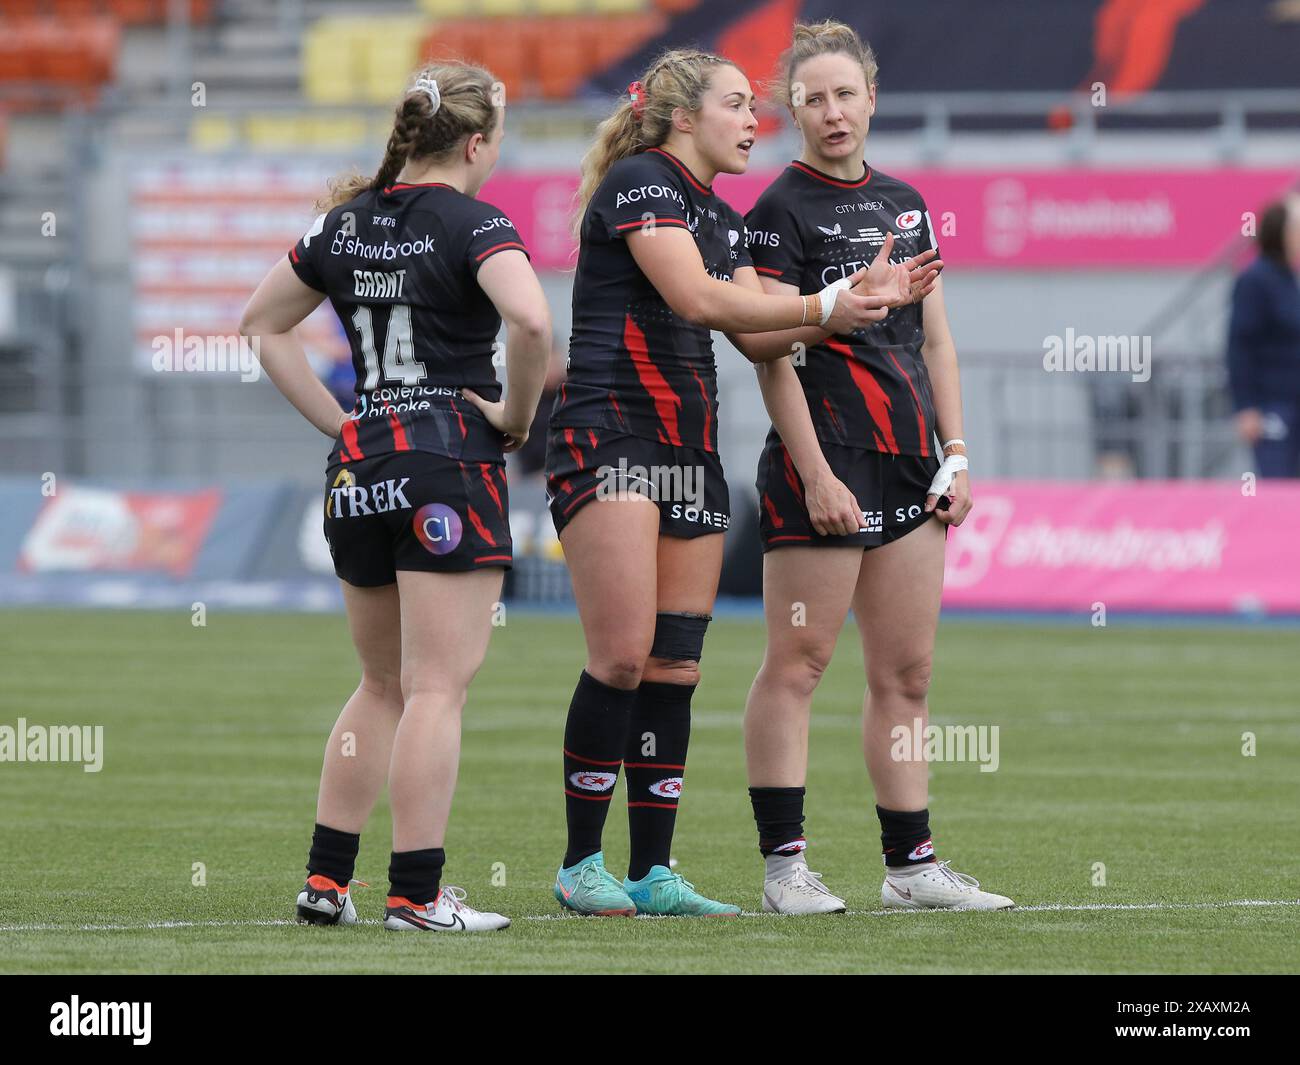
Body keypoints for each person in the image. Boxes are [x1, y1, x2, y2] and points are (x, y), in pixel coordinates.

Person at [545, 48, 914, 917]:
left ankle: (653, 872)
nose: (759, 120)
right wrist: (824, 305)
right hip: (614, 437)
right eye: (740, 106)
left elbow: (758, 338)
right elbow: (703, 301)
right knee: (623, 654)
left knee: (675, 666)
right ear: (684, 118)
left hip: (689, 444)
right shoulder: (644, 182)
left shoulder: (719, 212)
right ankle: (577, 863)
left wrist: (863, 297)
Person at [239, 62, 550, 933]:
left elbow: (259, 324)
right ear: (477, 142)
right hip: (448, 462)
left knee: (379, 683)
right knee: (435, 689)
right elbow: (531, 323)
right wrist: (517, 416)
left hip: (358, 471)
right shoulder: (478, 221)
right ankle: (416, 894)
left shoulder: (343, 223)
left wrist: (341, 425)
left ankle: (326, 881)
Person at [736, 20, 1015, 913]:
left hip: (909, 463)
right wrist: (816, 472)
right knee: (800, 663)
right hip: (827, 456)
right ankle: (785, 869)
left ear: (871, 98)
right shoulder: (779, 210)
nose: (831, 112)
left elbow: (934, 336)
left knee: (908, 675)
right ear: (793, 109)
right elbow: (768, 349)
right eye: (812, 99)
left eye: (845, 94)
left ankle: (911, 867)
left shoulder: (906, 200)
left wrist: (957, 451)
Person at [1228, 196, 1300, 478]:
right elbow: (1239, 346)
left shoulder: (1290, 279)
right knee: (1278, 485)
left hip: (1294, 399)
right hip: (1274, 404)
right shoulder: (1255, 280)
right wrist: (1245, 406)